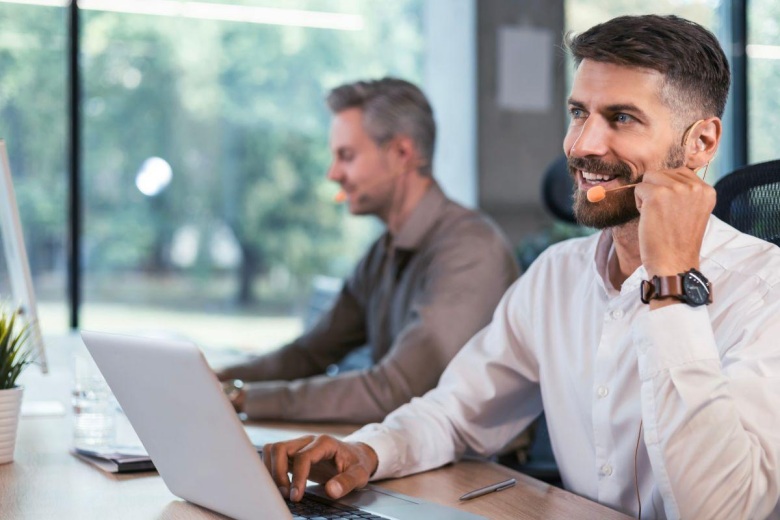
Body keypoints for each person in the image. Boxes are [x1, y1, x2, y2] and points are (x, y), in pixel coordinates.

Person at [262, 15, 780, 519]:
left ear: (702, 143)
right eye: (579, 113)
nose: (581, 146)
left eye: (621, 118)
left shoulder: (767, 291)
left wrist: (670, 283)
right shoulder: (558, 275)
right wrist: (368, 451)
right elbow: (457, 411)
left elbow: (723, 510)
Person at [216, 78, 519, 423]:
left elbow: (394, 391)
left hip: (480, 468)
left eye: (346, 156)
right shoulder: (384, 250)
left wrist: (243, 398)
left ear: (402, 154)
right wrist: (220, 379)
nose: (333, 174)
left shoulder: (470, 249)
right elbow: (310, 353)